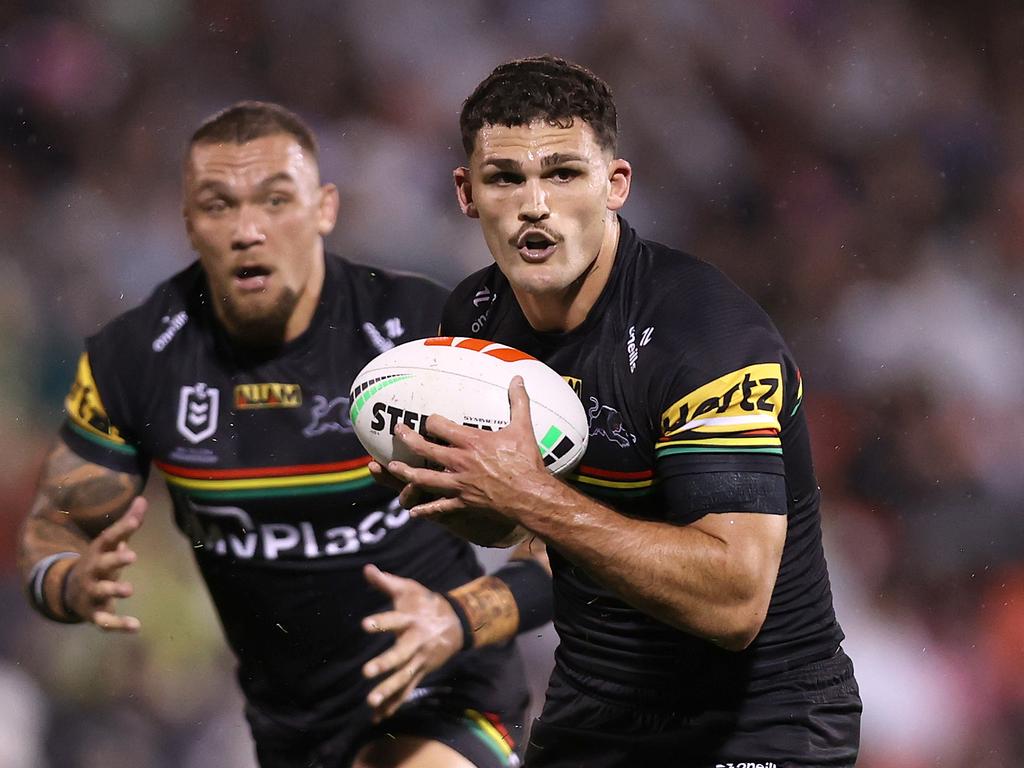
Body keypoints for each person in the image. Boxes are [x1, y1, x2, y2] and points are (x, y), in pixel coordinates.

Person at [17, 101, 554, 768]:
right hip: (289, 729)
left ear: (324, 208)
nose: (248, 230)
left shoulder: (423, 334)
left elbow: (571, 538)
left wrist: (461, 617)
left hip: (444, 689)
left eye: (276, 200)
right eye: (219, 205)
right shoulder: (136, 361)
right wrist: (70, 582)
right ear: (189, 222)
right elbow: (53, 532)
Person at [378, 56, 863, 767]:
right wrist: (460, 583)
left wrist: (530, 496)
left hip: (762, 721)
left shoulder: (705, 337)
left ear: (616, 185)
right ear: (467, 193)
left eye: (564, 173)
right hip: (597, 713)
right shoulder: (475, 326)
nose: (534, 204)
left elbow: (734, 602)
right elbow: (541, 540)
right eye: (506, 177)